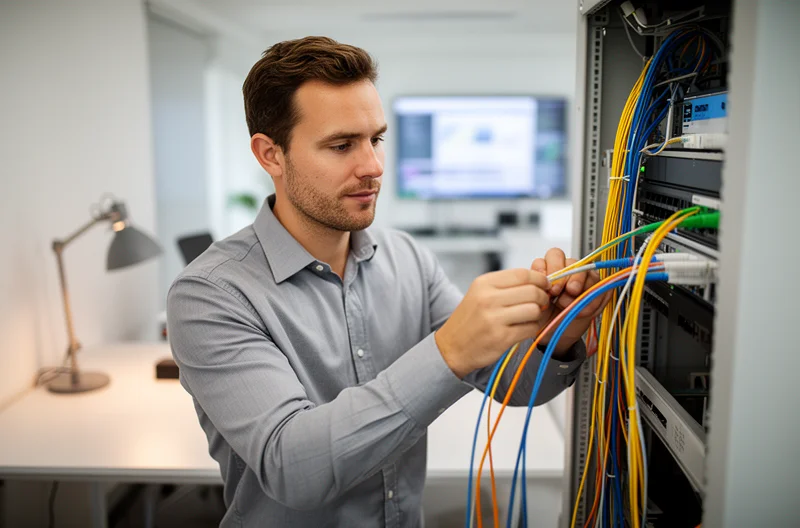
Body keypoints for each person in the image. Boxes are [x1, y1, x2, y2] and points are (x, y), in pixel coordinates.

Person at [167, 36, 607, 528]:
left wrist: (558, 336)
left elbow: (509, 380)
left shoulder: (408, 259)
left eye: (375, 139)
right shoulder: (211, 293)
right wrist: (447, 353)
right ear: (271, 155)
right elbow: (292, 468)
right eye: (341, 145)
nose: (373, 167)